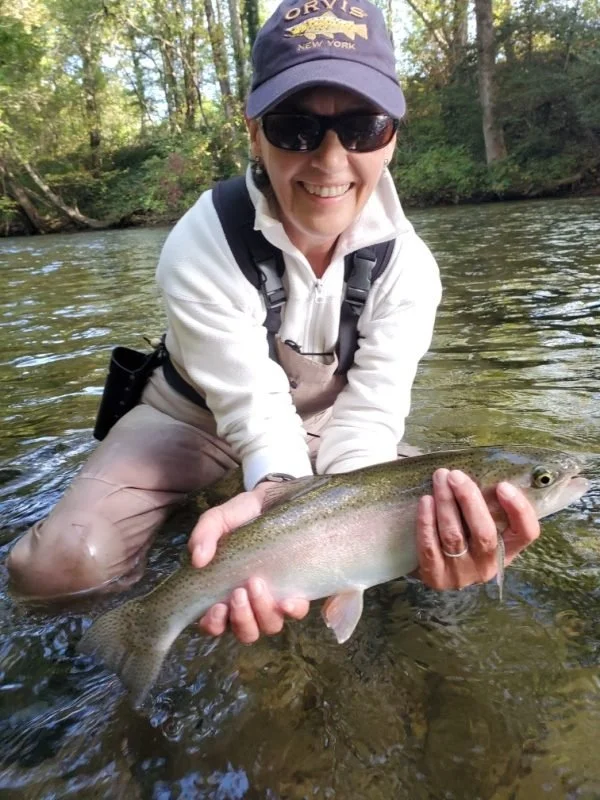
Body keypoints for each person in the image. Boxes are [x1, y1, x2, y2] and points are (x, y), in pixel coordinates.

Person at [6, 0, 540, 644]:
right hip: (188, 415)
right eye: (295, 128)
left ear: (393, 136)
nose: (331, 160)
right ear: (255, 132)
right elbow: (254, 413)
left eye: (364, 127)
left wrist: (346, 532)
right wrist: (276, 501)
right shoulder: (201, 242)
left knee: (456, 519)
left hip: (330, 427)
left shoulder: (410, 269)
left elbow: (369, 423)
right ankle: (105, 654)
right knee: (58, 568)